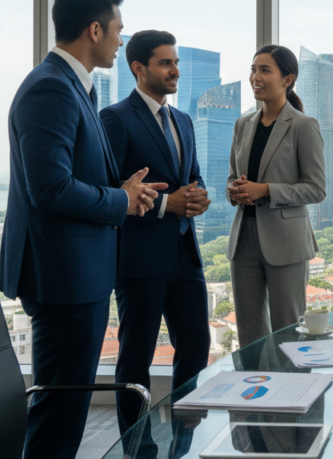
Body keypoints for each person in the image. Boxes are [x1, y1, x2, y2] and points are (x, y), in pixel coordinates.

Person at [0, 0, 165, 459]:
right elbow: (49, 188)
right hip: (63, 278)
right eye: (118, 30)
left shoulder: (73, 86)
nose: (120, 39)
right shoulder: (50, 87)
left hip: (79, 274)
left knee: (65, 415)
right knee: (58, 420)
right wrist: (120, 201)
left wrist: (125, 192)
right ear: (95, 29)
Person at [99, 30, 212, 439]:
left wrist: (198, 198)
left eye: (176, 62)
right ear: (138, 68)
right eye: (166, 63)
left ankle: (186, 437)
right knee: (135, 359)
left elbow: (192, 176)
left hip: (185, 254)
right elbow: (111, 189)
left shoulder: (182, 119)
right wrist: (167, 204)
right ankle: (136, 446)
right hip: (140, 258)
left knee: (197, 348)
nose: (175, 70)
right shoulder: (114, 118)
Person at [226, 44, 326, 346]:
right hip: (244, 239)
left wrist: (265, 190)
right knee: (249, 332)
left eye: (264, 70)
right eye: (253, 70)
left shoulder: (303, 126)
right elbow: (233, 178)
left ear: (287, 79)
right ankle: (256, 390)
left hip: (286, 241)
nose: (255, 76)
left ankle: (295, 391)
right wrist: (235, 192)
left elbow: (316, 188)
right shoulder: (243, 124)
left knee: (289, 330)